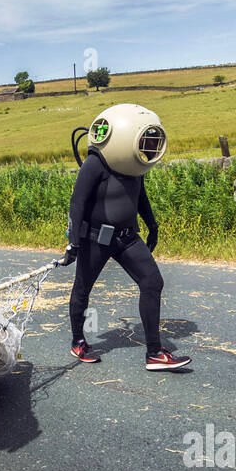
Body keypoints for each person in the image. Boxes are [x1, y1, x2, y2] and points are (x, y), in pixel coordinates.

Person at [62, 104, 190, 371]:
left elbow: (140, 197)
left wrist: (152, 225)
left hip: (128, 238)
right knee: (83, 289)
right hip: (96, 239)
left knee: (152, 282)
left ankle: (155, 353)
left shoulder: (134, 164)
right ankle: (78, 341)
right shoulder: (94, 163)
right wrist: (74, 242)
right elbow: (78, 202)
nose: (150, 145)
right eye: (146, 139)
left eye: (152, 140)